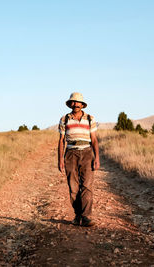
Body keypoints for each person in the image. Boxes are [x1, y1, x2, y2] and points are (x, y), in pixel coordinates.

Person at [58, 92, 100, 227]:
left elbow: (94, 139)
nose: (75, 104)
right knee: (73, 187)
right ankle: (77, 215)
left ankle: (86, 217)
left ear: (82, 105)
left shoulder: (90, 118)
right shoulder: (64, 119)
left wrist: (96, 157)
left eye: (78, 102)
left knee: (87, 186)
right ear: (70, 104)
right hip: (70, 153)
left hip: (87, 153)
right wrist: (60, 159)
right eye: (73, 102)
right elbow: (61, 141)